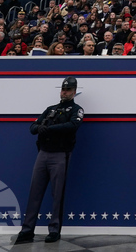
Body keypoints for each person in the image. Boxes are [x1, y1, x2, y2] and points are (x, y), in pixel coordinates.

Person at [16, 77, 84, 245]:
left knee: (57, 194)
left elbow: (73, 126)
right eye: (63, 89)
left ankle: (54, 230)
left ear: (74, 91)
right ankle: (27, 230)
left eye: (68, 90)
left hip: (61, 154)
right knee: (34, 193)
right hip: (43, 154)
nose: (64, 92)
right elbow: (33, 127)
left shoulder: (76, 109)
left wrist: (49, 130)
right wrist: (40, 128)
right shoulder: (50, 109)